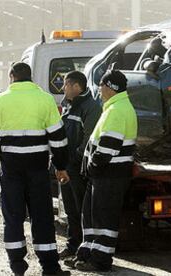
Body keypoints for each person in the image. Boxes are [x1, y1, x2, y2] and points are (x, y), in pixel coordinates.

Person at [0, 62, 71, 275]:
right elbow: (58, 139)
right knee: (42, 216)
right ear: (30, 77)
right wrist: (61, 166)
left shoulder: (0, 101)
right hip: (38, 168)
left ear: (11, 77)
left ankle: (17, 267)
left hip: (11, 169)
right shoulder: (45, 100)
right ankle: (49, 267)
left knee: (13, 216)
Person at [65, 70, 137, 272]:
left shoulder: (117, 110)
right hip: (102, 174)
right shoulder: (114, 107)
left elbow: (107, 146)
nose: (99, 89)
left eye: (102, 85)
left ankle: (101, 260)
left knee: (104, 220)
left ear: (110, 88)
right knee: (91, 216)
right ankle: (86, 253)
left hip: (109, 174)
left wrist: (93, 166)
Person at [58, 71, 101, 259]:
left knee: (81, 210)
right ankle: (73, 245)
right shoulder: (68, 105)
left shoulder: (90, 107)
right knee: (70, 210)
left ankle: (85, 250)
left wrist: (72, 161)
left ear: (77, 86)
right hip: (66, 167)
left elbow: (88, 140)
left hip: (77, 168)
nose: (63, 88)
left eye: (66, 84)